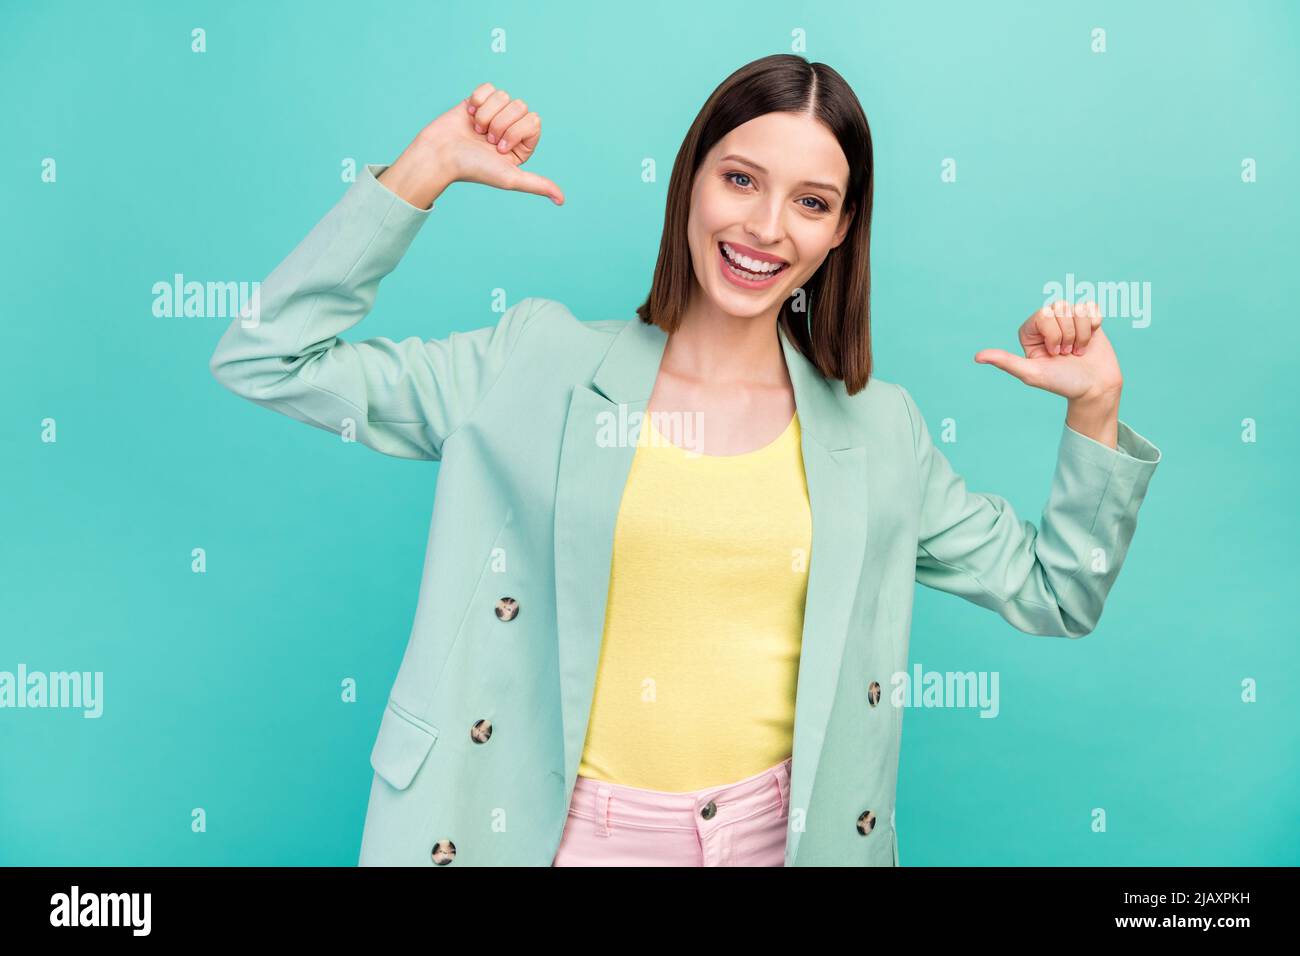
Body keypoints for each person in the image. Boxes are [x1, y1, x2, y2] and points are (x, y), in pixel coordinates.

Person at [209, 54, 1161, 867]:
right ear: (691, 182)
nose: (765, 228)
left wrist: (1095, 410)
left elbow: (1058, 592)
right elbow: (266, 358)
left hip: (777, 840)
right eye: (740, 180)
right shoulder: (533, 365)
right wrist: (424, 169)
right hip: (555, 836)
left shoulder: (879, 431)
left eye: (811, 202)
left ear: (840, 231)